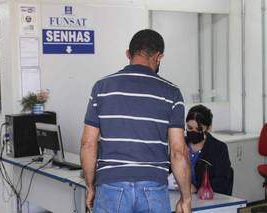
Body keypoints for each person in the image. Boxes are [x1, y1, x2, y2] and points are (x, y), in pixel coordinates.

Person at [80, 29, 192, 213]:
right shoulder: (171, 93)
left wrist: (90, 186)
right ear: (158, 56)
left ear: (128, 54)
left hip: (111, 187)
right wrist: (185, 198)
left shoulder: (102, 88)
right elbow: (179, 152)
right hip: (153, 187)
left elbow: (88, 144)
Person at [185, 105, 232, 195]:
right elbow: (168, 170)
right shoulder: (180, 144)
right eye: (190, 128)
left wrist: (197, 188)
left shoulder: (219, 148)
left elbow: (222, 181)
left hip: (208, 197)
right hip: (180, 195)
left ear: (208, 128)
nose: (193, 132)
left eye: (199, 129)